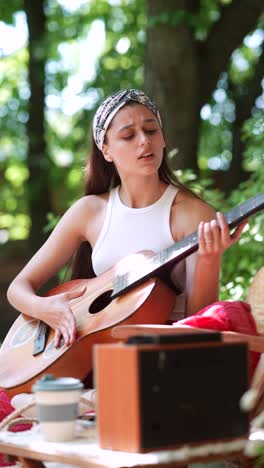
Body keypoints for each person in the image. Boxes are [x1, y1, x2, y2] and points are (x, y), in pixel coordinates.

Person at [7, 88, 247, 350]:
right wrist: (45, 308)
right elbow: (18, 288)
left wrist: (210, 259)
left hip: (165, 355)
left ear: (163, 138)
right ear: (106, 151)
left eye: (151, 130)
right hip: (94, 349)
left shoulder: (193, 214)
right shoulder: (89, 211)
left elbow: (199, 324)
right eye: (128, 135)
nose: (144, 140)